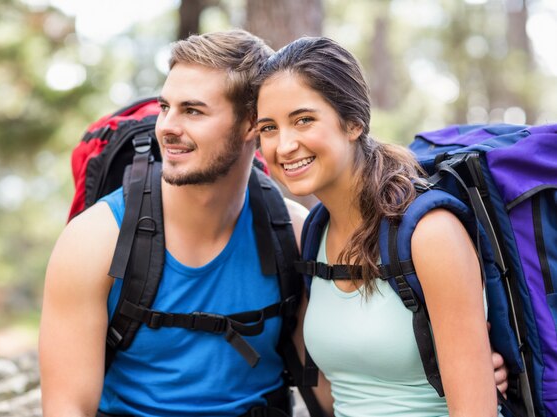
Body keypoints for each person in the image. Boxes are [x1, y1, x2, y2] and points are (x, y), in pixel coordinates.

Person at [39, 29, 507, 417]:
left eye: (193, 110)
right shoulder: (95, 239)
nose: (166, 127)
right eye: (166, 107)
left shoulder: (299, 231)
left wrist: (471, 374)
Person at [255, 36, 504, 417]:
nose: (284, 144)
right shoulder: (314, 234)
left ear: (353, 122)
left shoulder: (431, 233)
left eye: (304, 119)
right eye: (269, 128)